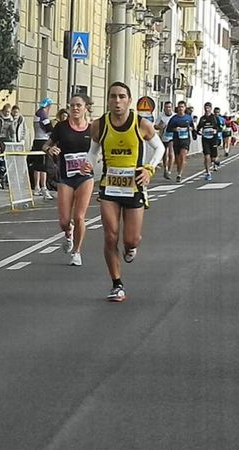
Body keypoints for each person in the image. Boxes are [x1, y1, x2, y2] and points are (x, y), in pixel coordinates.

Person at [81, 82, 165, 302]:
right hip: (109, 186)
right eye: (113, 97)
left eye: (121, 97)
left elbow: (160, 148)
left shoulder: (141, 124)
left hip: (134, 186)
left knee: (131, 239)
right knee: (110, 237)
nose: (117, 101)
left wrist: (149, 169)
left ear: (129, 100)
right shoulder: (100, 125)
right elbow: (93, 152)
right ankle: (117, 284)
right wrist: (88, 164)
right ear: (108, 100)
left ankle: (130, 249)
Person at [42, 94, 94, 266]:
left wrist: (94, 164)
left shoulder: (92, 129)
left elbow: (100, 152)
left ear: (86, 107)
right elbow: (46, 145)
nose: (75, 109)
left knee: (79, 217)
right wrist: (50, 149)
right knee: (64, 221)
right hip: (66, 177)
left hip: (85, 177)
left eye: (79, 105)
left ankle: (77, 252)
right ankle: (68, 233)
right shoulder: (62, 127)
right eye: (72, 106)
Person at [166, 100, 196, 183]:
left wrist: (191, 130)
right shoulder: (174, 118)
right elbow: (168, 129)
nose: (180, 109)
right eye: (179, 107)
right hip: (176, 140)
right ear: (177, 108)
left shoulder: (188, 117)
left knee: (183, 156)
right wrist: (175, 129)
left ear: (185, 108)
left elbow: (192, 127)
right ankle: (179, 170)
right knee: (178, 159)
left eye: (182, 107)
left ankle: (179, 174)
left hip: (185, 140)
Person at [31, 97, 54, 199]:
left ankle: (37, 187)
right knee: (44, 166)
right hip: (43, 141)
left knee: (38, 165)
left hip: (36, 140)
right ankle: (43, 187)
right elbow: (48, 128)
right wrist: (54, 136)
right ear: (48, 106)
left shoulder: (38, 113)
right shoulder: (43, 114)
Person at [196, 102, 221, 181]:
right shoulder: (202, 118)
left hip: (213, 139)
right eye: (205, 108)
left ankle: (216, 161)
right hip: (205, 139)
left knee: (213, 158)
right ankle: (208, 173)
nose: (207, 110)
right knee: (207, 156)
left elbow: (220, 128)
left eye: (208, 108)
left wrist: (215, 130)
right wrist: (199, 132)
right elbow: (198, 128)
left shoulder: (215, 118)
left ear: (211, 108)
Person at [155, 101, 175, 180]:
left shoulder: (174, 116)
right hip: (163, 137)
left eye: (169, 107)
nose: (168, 109)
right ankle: (165, 169)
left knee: (171, 153)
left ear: (172, 108)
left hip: (172, 137)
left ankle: (169, 171)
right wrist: (160, 126)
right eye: (166, 107)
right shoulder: (161, 116)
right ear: (164, 108)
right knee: (165, 154)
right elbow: (155, 126)